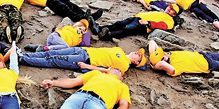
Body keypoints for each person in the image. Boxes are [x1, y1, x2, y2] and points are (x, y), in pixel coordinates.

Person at [19, 45, 148, 74]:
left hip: (86, 59)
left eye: (139, 56)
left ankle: (22, 59)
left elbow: (109, 71)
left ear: (136, 62)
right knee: (51, 52)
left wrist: (89, 67)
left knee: (52, 60)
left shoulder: (124, 65)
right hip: (82, 50)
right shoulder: (119, 50)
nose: (137, 53)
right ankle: (24, 55)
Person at [97, 10, 177, 40]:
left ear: (174, 15)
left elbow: (163, 25)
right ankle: (99, 28)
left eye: (172, 10)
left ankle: (107, 35)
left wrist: (148, 23)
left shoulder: (170, 20)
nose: (169, 9)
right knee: (119, 23)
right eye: (170, 7)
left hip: (144, 25)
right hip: (138, 18)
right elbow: (149, 14)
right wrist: (137, 15)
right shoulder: (161, 12)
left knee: (127, 29)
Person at [25, 20, 91, 51]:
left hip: (57, 44)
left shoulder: (80, 39)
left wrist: (85, 34)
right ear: (75, 26)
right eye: (80, 28)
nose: (81, 31)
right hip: (56, 36)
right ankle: (45, 48)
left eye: (83, 31)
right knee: (67, 48)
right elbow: (58, 29)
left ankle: (39, 47)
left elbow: (86, 44)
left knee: (56, 51)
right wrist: (56, 29)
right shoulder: (69, 28)